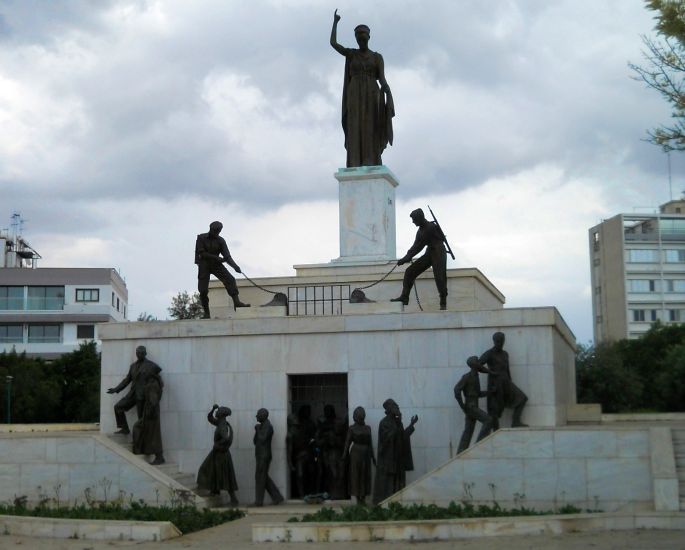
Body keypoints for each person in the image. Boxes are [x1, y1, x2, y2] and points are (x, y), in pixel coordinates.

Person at [330, 9, 394, 167]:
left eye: (363, 34)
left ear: (369, 36)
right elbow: (333, 44)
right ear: (356, 38)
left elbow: (383, 79)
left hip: (372, 94)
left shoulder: (377, 57)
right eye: (358, 35)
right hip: (354, 94)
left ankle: (371, 160)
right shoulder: (351, 54)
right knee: (355, 125)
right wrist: (335, 23)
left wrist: (387, 90)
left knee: (370, 126)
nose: (361, 37)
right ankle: (355, 161)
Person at [391, 208, 448, 309]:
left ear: (419, 218)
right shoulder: (420, 231)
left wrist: (406, 258)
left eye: (414, 219)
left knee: (440, 277)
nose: (413, 222)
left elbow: (418, 247)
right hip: (430, 252)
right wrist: (405, 258)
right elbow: (415, 246)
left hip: (439, 251)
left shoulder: (430, 227)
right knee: (409, 272)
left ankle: (443, 302)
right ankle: (404, 297)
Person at [195, 221, 249, 318]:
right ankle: (207, 313)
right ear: (210, 229)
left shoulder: (221, 241)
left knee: (231, 280)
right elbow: (202, 253)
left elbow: (227, 256)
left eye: (218, 231)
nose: (215, 233)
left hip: (216, 265)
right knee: (203, 291)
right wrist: (217, 258)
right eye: (214, 230)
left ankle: (236, 302)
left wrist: (235, 266)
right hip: (204, 265)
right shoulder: (201, 238)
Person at [479, 332, 528, 430]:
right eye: (498, 341)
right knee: (495, 409)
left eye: (502, 341)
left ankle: (515, 421)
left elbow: (507, 368)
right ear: (494, 341)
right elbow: (478, 364)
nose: (500, 343)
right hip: (495, 384)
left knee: (522, 398)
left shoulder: (505, 354)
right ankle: (495, 430)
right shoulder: (489, 353)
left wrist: (510, 380)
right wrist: (490, 372)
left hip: (506, 382)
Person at [107, 346, 161, 435]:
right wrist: (116, 389)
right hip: (132, 394)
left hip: (143, 396)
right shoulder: (133, 366)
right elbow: (127, 380)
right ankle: (124, 428)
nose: (139, 355)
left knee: (141, 418)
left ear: (145, 354)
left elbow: (157, 379)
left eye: (141, 353)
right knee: (118, 407)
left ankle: (141, 438)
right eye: (137, 353)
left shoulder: (152, 366)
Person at [372, 399, 417, 504]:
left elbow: (403, 437)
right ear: (389, 409)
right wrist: (397, 425)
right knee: (388, 484)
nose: (397, 409)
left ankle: (397, 503)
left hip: (398, 459)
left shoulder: (398, 423)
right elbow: (386, 439)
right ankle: (385, 503)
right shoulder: (384, 422)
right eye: (395, 407)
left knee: (398, 483)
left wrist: (411, 425)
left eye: (397, 407)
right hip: (388, 460)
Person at [196, 404, 239, 505]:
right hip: (218, 453)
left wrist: (217, 445)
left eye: (217, 411)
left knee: (222, 474)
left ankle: (233, 499)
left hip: (221, 454)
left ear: (221, 414)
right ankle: (215, 490)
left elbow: (226, 438)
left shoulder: (222, 425)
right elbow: (210, 418)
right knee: (214, 471)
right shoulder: (220, 423)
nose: (216, 413)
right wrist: (213, 409)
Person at [454, 356, 494, 454]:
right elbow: (456, 390)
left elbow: (478, 393)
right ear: (474, 365)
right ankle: (479, 445)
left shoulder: (476, 376)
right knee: (488, 420)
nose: (480, 365)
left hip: (473, 404)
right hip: (470, 406)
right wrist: (462, 405)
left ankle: (461, 451)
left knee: (468, 430)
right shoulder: (467, 377)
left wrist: (490, 392)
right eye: (478, 363)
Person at [342, 406, 376, 505]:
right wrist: (344, 455)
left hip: (365, 454)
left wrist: (373, 457)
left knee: (365, 475)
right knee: (356, 475)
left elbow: (370, 444)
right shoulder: (351, 428)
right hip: (355, 454)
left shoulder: (367, 428)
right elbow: (347, 442)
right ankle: (358, 498)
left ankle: (364, 497)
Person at [253, 408, 284, 507]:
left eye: (258, 414)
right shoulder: (261, 426)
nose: (256, 416)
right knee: (262, 477)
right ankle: (277, 497)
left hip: (264, 455)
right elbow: (255, 441)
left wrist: (257, 430)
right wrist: (257, 430)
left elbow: (262, 439)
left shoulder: (268, 427)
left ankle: (259, 502)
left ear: (263, 415)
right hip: (260, 455)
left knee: (260, 477)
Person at [132, 372, 165, 465]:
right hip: (152, 413)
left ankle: (159, 456)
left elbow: (153, 400)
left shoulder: (151, 385)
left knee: (152, 434)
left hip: (151, 414)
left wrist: (150, 412)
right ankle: (144, 450)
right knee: (151, 433)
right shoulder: (156, 384)